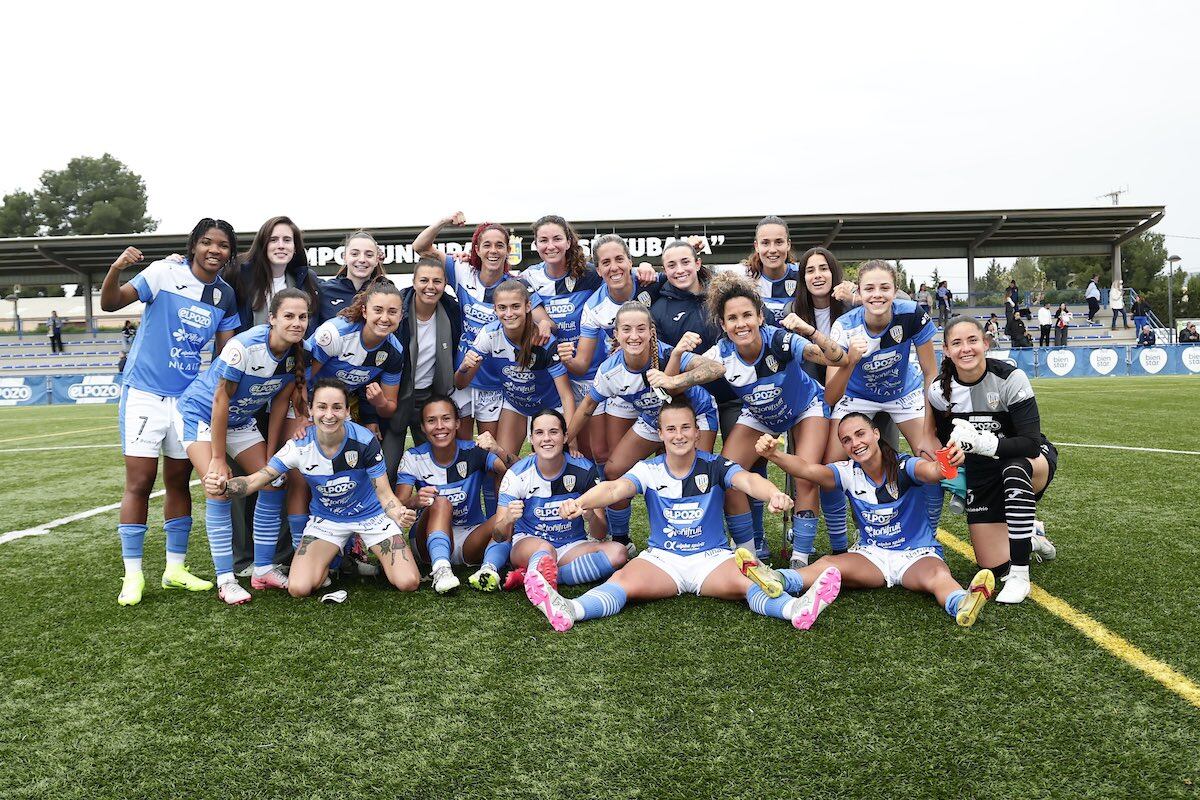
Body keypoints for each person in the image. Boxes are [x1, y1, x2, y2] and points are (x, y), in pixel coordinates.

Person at [522, 398, 841, 633]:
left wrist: (772, 493)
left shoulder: (714, 464)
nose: (678, 435)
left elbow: (746, 479)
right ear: (660, 433)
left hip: (712, 559)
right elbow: (615, 490)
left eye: (685, 427)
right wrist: (583, 502)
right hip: (662, 559)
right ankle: (569, 608)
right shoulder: (647, 469)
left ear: (696, 430)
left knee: (751, 582)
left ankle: (794, 609)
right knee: (621, 582)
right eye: (671, 429)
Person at [99, 219, 242, 606]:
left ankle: (175, 569)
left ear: (230, 252)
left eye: (224, 245)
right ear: (194, 245)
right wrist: (116, 268)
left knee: (179, 481)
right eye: (208, 242)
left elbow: (227, 355)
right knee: (141, 482)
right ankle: (132, 575)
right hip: (144, 393)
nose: (215, 250)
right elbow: (109, 303)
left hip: (186, 400)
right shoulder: (163, 272)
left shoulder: (225, 296)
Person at [754, 415, 995, 626]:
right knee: (829, 563)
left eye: (860, 434)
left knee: (938, 576)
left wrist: (947, 462)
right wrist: (774, 454)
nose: (855, 443)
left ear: (876, 433)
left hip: (916, 554)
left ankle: (963, 604)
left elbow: (931, 471)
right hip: (872, 556)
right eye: (847, 440)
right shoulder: (847, 471)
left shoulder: (904, 465)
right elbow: (807, 469)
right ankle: (779, 579)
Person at [204, 379, 420, 598]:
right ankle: (333, 559)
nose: (329, 415)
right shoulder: (298, 446)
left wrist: (398, 513)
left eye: (337, 407)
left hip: (371, 517)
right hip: (327, 521)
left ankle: (350, 556)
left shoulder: (364, 440)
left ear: (347, 411)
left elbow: (384, 493)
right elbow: (255, 481)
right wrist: (225, 487)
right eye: (322, 407)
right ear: (310, 410)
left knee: (408, 582)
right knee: (299, 589)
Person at [692, 272, 846, 568]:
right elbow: (681, 376)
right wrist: (674, 366)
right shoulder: (720, 353)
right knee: (728, 478)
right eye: (733, 318)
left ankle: (801, 559)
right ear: (723, 325)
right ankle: (750, 559)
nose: (741, 324)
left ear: (760, 317)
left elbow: (837, 359)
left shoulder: (780, 340)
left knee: (806, 475)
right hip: (760, 415)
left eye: (747, 315)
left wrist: (809, 331)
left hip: (804, 407)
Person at [174, 289, 311, 603]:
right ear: (272, 318)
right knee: (218, 485)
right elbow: (220, 400)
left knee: (274, 480)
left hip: (241, 421)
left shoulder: (295, 353)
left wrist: (271, 456)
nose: (296, 322)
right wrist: (219, 458)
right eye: (289, 316)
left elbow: (278, 404)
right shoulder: (244, 346)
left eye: (302, 317)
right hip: (202, 416)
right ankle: (226, 580)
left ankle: (262, 569)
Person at [567, 302, 725, 553]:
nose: (634, 336)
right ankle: (620, 539)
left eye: (641, 328)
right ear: (616, 334)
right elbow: (587, 407)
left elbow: (717, 368)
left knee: (696, 476)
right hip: (654, 420)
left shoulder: (665, 353)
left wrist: (673, 380)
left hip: (694, 417)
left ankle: (702, 540)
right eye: (626, 329)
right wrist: (567, 440)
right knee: (614, 470)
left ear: (651, 331)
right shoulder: (610, 371)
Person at [927, 316, 1059, 604]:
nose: (966, 349)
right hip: (983, 472)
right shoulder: (939, 392)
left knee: (1014, 469)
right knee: (992, 564)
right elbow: (944, 439)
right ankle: (1032, 536)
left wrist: (982, 443)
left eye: (972, 340)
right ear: (947, 350)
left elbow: (1031, 443)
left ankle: (1020, 576)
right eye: (957, 343)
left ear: (985, 343)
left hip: (1027, 461)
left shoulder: (1011, 378)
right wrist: (956, 456)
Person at [825, 261, 942, 534]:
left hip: (903, 393)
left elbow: (930, 372)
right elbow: (831, 394)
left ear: (895, 290)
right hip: (856, 396)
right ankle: (840, 542)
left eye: (884, 288)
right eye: (869, 288)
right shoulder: (844, 326)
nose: (877, 294)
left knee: (932, 459)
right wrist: (851, 360)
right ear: (859, 293)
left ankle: (928, 535)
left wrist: (928, 427)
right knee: (831, 469)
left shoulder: (912, 313)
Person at [492, 408, 627, 593]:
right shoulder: (516, 474)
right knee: (545, 549)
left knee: (618, 553)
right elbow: (499, 537)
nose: (546, 438)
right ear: (531, 439)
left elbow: (600, 532)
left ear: (565, 437)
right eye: (539, 433)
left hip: (571, 545)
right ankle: (540, 573)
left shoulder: (585, 470)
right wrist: (507, 519)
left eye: (553, 432)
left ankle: (539, 576)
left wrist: (590, 517)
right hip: (530, 543)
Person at [558, 233, 658, 475]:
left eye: (619, 259)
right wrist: (564, 357)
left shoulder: (651, 282)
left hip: (662, 378)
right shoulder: (593, 307)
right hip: (622, 384)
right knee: (613, 461)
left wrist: (650, 266)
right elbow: (581, 364)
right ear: (599, 269)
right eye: (605, 262)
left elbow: (685, 279)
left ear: (630, 261)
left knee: (669, 455)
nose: (614, 267)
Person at [394, 396, 511, 594]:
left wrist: (498, 450)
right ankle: (441, 570)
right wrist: (415, 500)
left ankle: (488, 570)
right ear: (422, 427)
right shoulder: (413, 457)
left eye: (446, 419)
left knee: (508, 517)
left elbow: (517, 474)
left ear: (457, 422)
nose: (440, 426)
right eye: (431, 421)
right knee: (441, 503)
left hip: (470, 538)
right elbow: (397, 504)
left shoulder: (474, 451)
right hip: (427, 541)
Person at [454, 279, 575, 464]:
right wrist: (463, 367)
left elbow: (566, 395)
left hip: (550, 405)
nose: (509, 313)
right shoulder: (489, 334)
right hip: (516, 405)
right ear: (494, 310)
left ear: (528, 306)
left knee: (553, 464)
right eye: (502, 308)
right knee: (500, 463)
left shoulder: (544, 340)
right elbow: (460, 383)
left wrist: (570, 438)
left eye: (515, 306)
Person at [383, 257, 462, 483]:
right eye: (424, 280)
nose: (430, 286)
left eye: (437, 281)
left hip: (430, 396)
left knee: (434, 467)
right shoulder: (398, 310)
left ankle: (430, 513)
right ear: (414, 281)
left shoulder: (451, 310)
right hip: (396, 395)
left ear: (445, 283)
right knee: (388, 467)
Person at [225, 215, 320, 334]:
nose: (281, 245)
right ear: (263, 245)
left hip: (292, 351)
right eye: (273, 240)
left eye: (287, 240)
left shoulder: (306, 279)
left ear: (295, 246)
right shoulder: (238, 274)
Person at [316, 230, 391, 325]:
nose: (362, 260)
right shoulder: (324, 291)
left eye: (369, 255)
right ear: (344, 257)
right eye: (355, 254)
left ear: (376, 260)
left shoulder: (384, 293)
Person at [744, 215, 802, 325]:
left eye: (779, 242)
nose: (772, 250)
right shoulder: (745, 279)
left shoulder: (803, 275)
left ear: (788, 244)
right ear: (756, 246)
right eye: (765, 243)